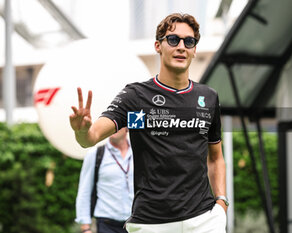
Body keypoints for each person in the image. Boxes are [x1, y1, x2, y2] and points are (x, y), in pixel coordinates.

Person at [70, 13, 227, 233]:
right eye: (173, 40)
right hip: (151, 224)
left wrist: (221, 203)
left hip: (204, 221)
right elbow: (90, 138)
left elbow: (216, 158)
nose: (181, 46)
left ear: (194, 50)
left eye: (188, 41)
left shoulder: (209, 97)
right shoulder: (135, 96)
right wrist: (82, 130)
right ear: (158, 46)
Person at [75, 127, 133, 233]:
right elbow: (84, 190)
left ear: (127, 128)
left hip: (137, 224)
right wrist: (85, 227)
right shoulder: (95, 154)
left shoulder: (139, 153)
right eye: (110, 125)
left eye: (118, 123)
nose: (112, 128)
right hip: (107, 225)